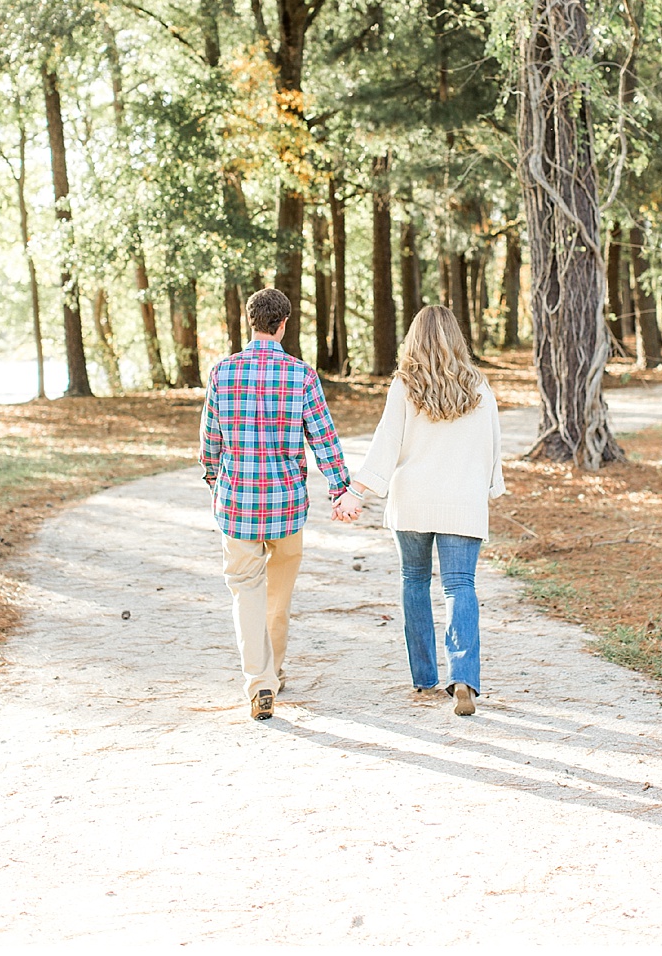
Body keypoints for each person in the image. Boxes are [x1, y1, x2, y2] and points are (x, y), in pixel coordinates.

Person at [199, 287, 356, 722]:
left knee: (245, 594)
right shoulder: (301, 375)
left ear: (250, 322)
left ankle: (260, 682)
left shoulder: (222, 372)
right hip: (287, 507)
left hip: (237, 507)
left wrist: (214, 479)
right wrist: (340, 487)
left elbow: (211, 440)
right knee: (277, 596)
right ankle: (276, 669)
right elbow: (323, 437)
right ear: (283, 324)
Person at [347, 305, 505, 717]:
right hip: (462, 504)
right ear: (457, 338)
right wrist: (491, 486)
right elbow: (492, 445)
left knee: (414, 582)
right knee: (459, 586)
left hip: (414, 501)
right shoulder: (480, 387)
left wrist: (357, 490)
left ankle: (423, 678)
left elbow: (386, 443)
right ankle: (464, 679)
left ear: (414, 338)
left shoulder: (405, 386)